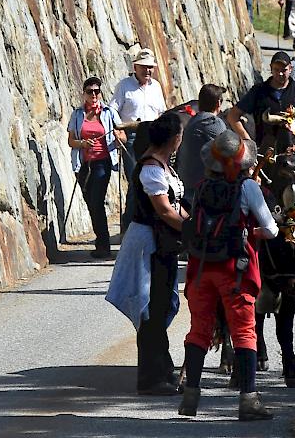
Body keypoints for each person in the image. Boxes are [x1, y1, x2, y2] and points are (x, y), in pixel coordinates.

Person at [178, 131, 278, 421]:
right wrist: (252, 233)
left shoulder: (201, 186)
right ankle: (248, 401)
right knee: (244, 332)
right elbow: (270, 229)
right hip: (235, 271)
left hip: (200, 269)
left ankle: (190, 398)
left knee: (198, 330)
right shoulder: (248, 188)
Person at [106, 111, 186, 395]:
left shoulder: (163, 166)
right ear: (175, 139)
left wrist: (194, 222)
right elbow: (164, 210)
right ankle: (151, 378)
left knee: (161, 305)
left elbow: (174, 205)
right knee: (151, 308)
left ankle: (161, 368)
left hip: (160, 243)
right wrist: (191, 231)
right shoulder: (152, 168)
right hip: (149, 245)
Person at [67, 77, 126, 259]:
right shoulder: (77, 114)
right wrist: (82, 143)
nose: (94, 95)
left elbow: (123, 136)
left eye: (97, 91)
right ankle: (101, 241)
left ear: (100, 93)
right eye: (90, 91)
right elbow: (71, 141)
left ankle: (103, 244)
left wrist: (118, 136)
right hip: (83, 164)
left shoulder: (109, 112)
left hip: (102, 162)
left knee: (96, 201)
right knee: (90, 202)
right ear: (83, 93)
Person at [110, 48, 167, 231]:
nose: (147, 71)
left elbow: (161, 113)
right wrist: (119, 130)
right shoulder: (124, 85)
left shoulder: (156, 87)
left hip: (152, 136)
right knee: (136, 181)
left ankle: (148, 224)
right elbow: (112, 110)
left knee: (153, 180)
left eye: (150, 67)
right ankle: (129, 227)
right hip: (132, 137)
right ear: (135, 67)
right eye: (143, 67)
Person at [226, 51, 295, 149]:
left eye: (284, 70)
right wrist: (248, 141)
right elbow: (233, 116)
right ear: (271, 68)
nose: (280, 73)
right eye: (276, 69)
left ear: (290, 69)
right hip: (267, 149)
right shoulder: (258, 91)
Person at [176, 84, 227, 206]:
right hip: (201, 192)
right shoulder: (212, 122)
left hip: (187, 186)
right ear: (219, 103)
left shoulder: (194, 120)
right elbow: (230, 150)